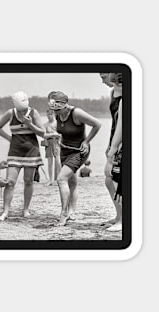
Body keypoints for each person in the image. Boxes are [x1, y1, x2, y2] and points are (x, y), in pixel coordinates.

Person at [48, 91, 101, 226]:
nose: (56, 113)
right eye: (54, 110)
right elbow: (48, 129)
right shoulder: (57, 115)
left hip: (79, 151)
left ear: (64, 106)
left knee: (61, 179)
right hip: (64, 150)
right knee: (71, 182)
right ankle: (72, 211)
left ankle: (64, 213)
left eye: (58, 110)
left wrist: (87, 141)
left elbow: (97, 124)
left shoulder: (76, 113)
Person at [0, 91, 45, 222]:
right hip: (15, 151)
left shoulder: (34, 113)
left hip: (31, 151)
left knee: (28, 181)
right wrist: (9, 139)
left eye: (24, 110)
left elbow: (42, 133)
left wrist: (30, 124)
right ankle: (5, 211)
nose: (22, 113)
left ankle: (26, 210)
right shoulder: (10, 113)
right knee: (10, 182)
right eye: (20, 111)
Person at [100, 73, 123, 232]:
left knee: (117, 181)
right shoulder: (113, 92)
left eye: (104, 76)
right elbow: (116, 122)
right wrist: (110, 144)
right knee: (110, 181)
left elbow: (123, 123)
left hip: (122, 142)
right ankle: (119, 216)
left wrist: (113, 149)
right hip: (115, 139)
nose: (103, 81)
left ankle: (124, 220)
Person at [42, 109, 61, 185]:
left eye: (51, 114)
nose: (50, 116)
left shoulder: (57, 124)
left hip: (57, 143)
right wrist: (53, 134)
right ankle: (50, 180)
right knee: (50, 163)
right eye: (48, 114)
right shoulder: (45, 125)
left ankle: (59, 179)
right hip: (49, 143)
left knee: (58, 162)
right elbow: (44, 135)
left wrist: (56, 136)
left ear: (54, 114)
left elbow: (61, 134)